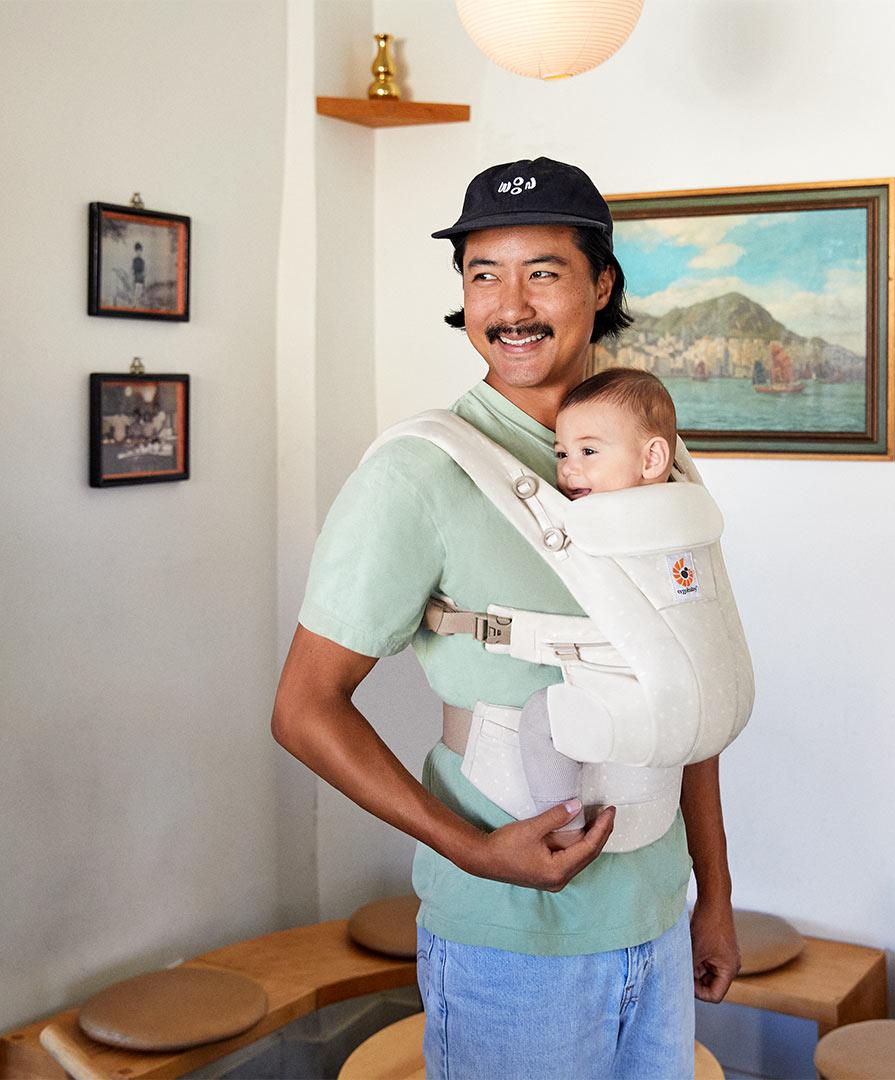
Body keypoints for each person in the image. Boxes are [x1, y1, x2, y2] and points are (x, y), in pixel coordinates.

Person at [272, 157, 741, 1080]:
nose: (511, 305)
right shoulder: (418, 474)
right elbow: (303, 708)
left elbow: (686, 684)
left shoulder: (654, 458)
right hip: (510, 944)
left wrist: (713, 895)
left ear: (600, 285)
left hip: (655, 915)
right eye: (484, 273)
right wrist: (475, 851)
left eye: (544, 272)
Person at [518, 367, 678, 849]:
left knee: (539, 719)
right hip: (670, 690)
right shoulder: (682, 512)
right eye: (561, 453)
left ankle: (562, 825)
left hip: (628, 685)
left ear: (652, 458)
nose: (569, 469)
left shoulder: (609, 529)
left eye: (589, 452)